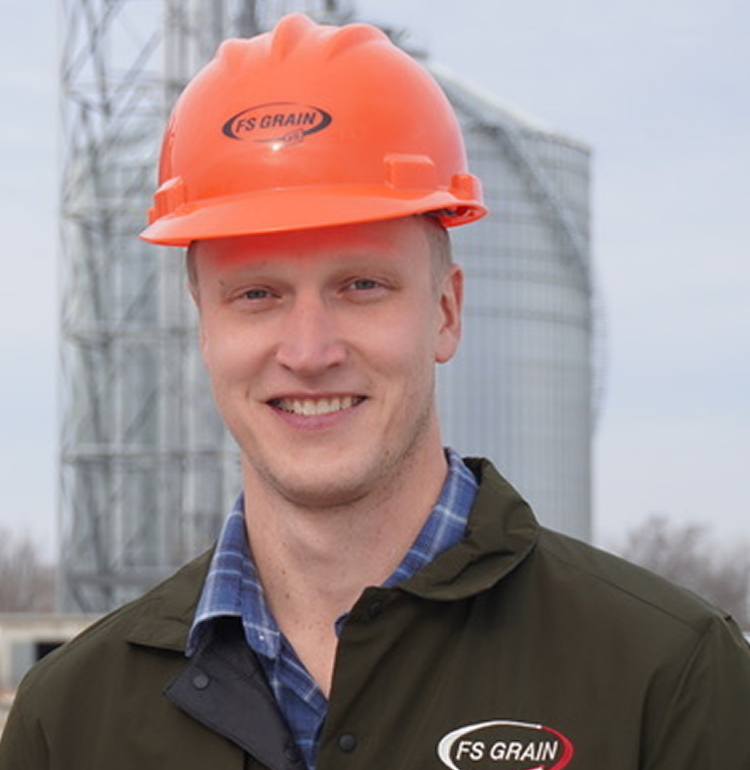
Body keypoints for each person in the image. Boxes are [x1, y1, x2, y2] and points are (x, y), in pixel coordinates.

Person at [2, 12, 750, 770]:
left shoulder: (665, 678)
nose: (309, 351)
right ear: (205, 330)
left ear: (447, 312)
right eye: (256, 295)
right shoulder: (69, 722)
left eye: (362, 285)